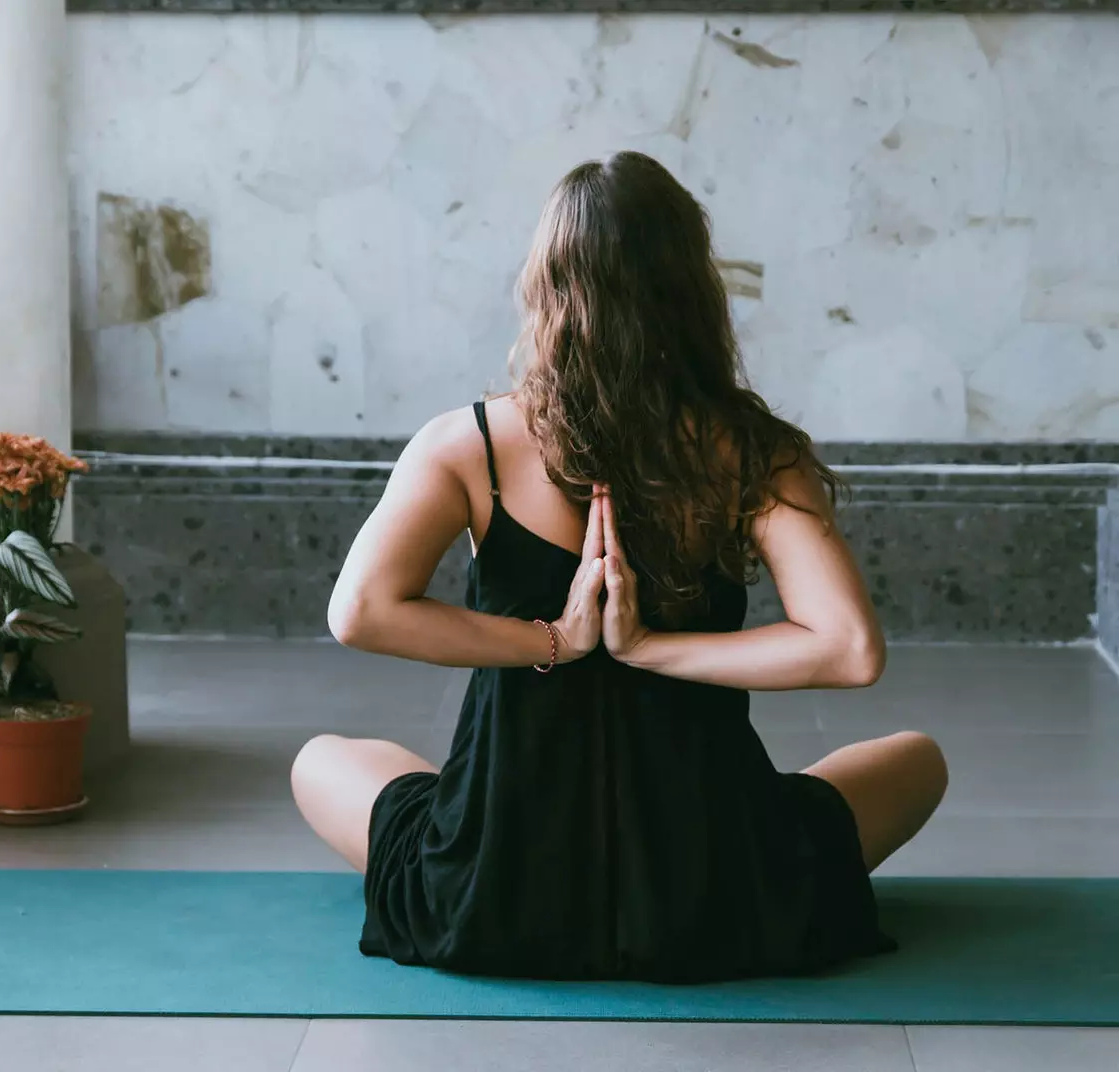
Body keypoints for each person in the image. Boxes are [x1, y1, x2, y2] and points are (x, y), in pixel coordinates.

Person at [289, 152, 949, 983]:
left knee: (322, 758)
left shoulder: (468, 445)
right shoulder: (753, 452)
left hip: (497, 891)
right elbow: (850, 650)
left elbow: (360, 613)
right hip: (720, 893)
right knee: (918, 757)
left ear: (547, 286)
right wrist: (649, 648)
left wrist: (558, 641)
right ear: (690, 289)